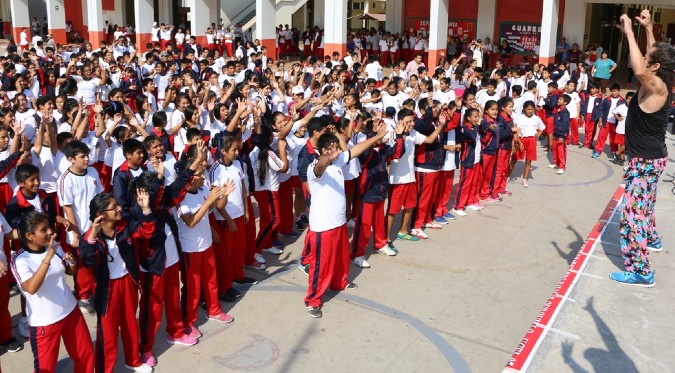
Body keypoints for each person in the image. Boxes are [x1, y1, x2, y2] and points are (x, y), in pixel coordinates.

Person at [610, 10, 674, 286]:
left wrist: (628, 33)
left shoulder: (657, 86)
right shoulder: (664, 78)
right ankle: (652, 238)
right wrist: (648, 29)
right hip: (652, 158)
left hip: (645, 162)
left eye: (649, 59)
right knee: (645, 206)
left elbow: (639, 69)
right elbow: (652, 57)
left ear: (655, 67)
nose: (643, 58)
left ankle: (641, 271)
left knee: (632, 215)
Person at [304, 125, 389, 318]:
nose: (339, 149)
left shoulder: (338, 162)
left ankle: (339, 283)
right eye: (334, 146)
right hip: (323, 227)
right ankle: (313, 300)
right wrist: (328, 158)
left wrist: (378, 136)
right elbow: (319, 167)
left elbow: (356, 149)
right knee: (320, 265)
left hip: (339, 223)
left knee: (341, 258)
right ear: (325, 150)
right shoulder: (314, 168)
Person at [11, 212, 94, 372]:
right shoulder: (20, 260)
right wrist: (48, 256)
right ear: (29, 235)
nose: (50, 231)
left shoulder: (54, 245)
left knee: (85, 356)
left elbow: (70, 272)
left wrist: (72, 263)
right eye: (44, 229)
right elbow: (31, 288)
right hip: (45, 324)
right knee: (45, 369)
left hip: (71, 312)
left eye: (49, 227)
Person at [514, 101, 545, 187]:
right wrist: (517, 141)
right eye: (528, 109)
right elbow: (515, 129)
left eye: (532, 109)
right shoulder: (519, 117)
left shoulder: (536, 118)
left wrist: (537, 135)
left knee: (529, 160)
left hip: (531, 140)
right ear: (524, 109)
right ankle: (507, 175)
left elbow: (542, 127)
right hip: (521, 139)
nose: (530, 111)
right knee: (515, 158)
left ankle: (525, 179)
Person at [549, 94, 571, 174]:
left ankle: (562, 166)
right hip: (556, 133)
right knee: (555, 149)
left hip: (561, 135)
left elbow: (565, 125)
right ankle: (556, 163)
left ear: (565, 103)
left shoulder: (565, 112)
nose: (558, 100)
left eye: (561, 100)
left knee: (561, 151)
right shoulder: (558, 110)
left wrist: (562, 135)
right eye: (559, 99)